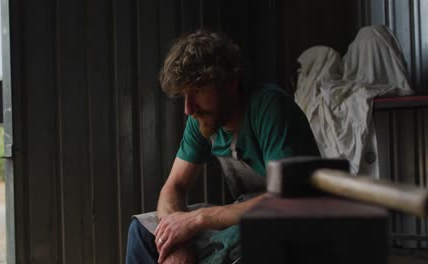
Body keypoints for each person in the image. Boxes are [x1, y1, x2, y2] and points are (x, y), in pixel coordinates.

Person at [126, 30, 320, 264]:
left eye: (197, 91)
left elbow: (288, 198)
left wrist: (196, 220)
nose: (188, 108)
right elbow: (174, 186)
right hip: (245, 212)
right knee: (143, 231)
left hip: (294, 219)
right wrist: (178, 242)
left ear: (230, 82)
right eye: (184, 95)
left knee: (228, 248)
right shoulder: (201, 121)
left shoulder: (269, 107)